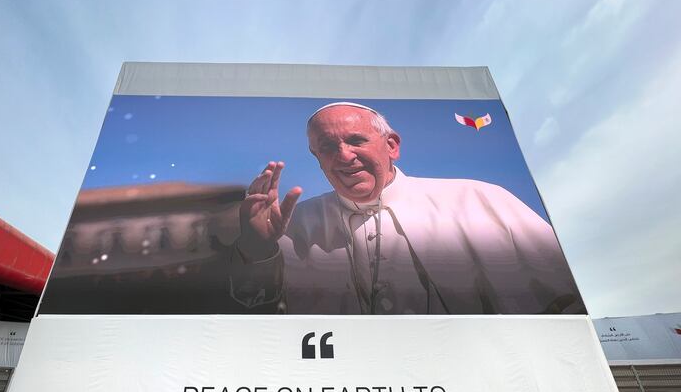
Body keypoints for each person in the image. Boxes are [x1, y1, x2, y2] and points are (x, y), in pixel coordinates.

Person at [229, 102, 585, 314]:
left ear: (392, 146)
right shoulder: (293, 225)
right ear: (317, 159)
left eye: (356, 140)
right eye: (327, 147)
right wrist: (258, 251)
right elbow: (251, 311)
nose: (344, 156)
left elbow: (565, 305)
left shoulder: (481, 200)